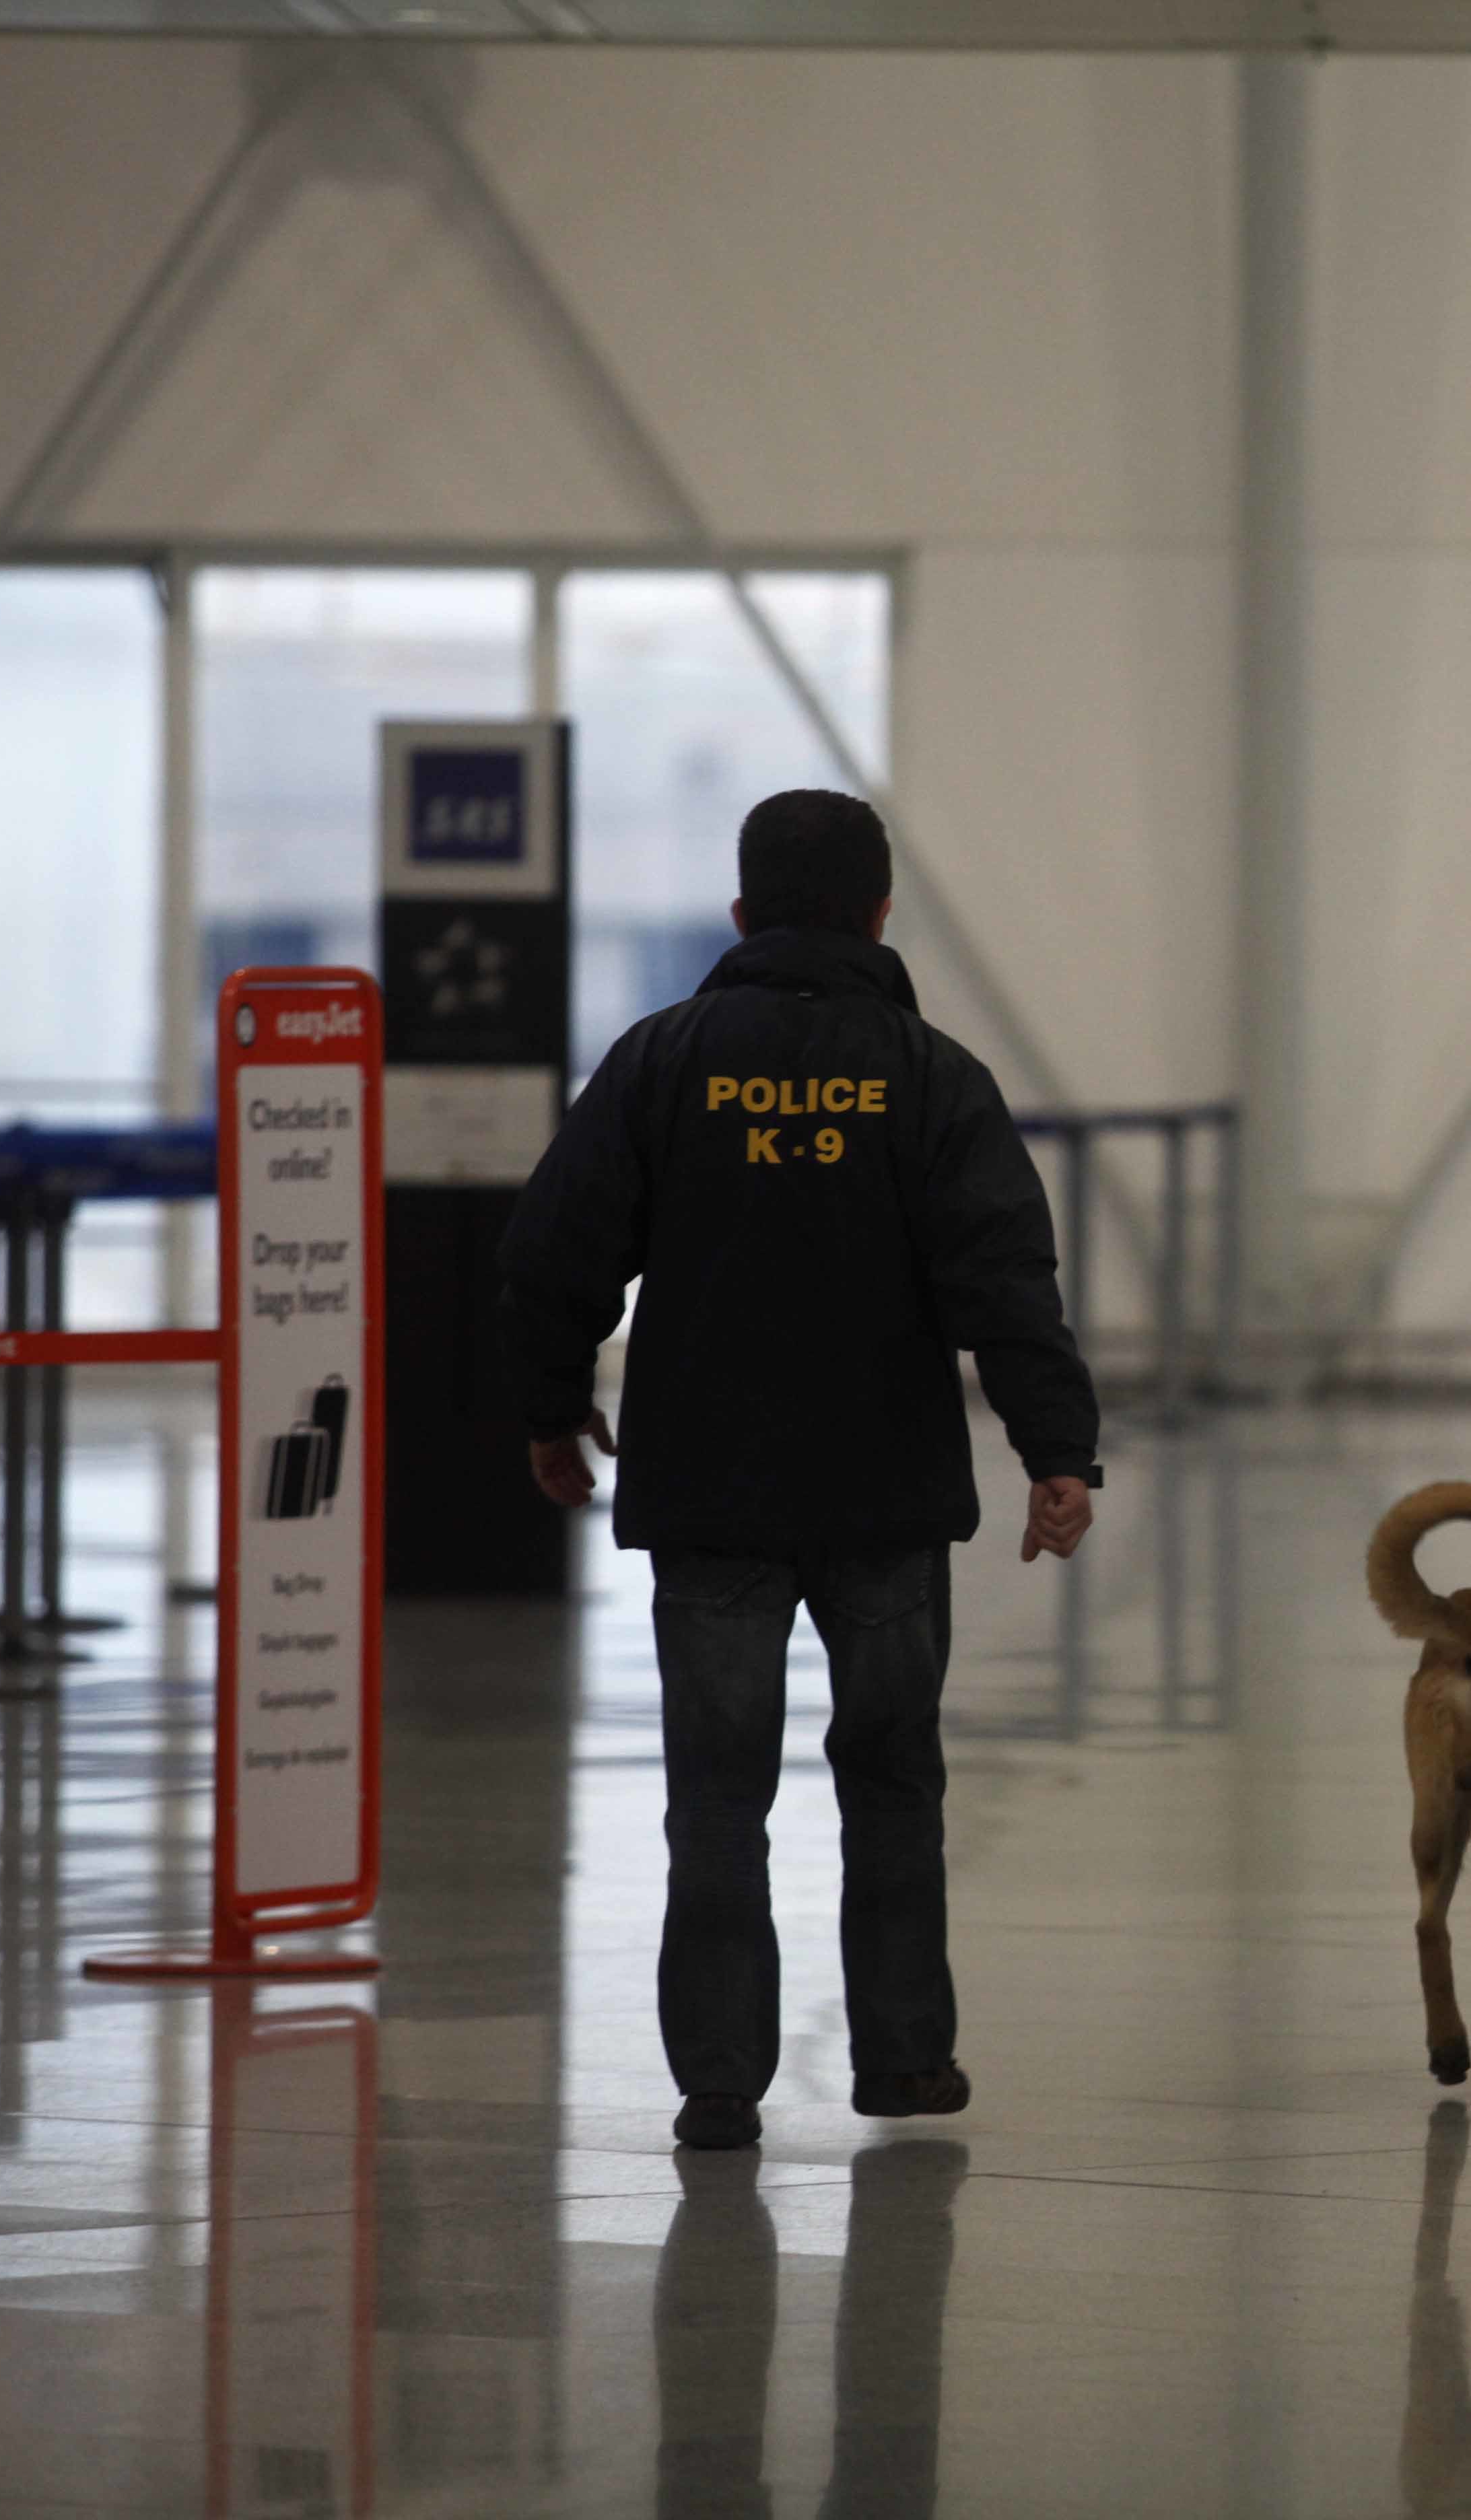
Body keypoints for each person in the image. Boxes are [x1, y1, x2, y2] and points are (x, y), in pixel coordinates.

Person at [497, 788, 1100, 2154]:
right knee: (892, 1778)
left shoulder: (662, 1061)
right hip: (884, 1497)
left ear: (740, 913)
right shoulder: (933, 1075)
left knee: (716, 1792)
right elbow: (1004, 1279)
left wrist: (550, 1410)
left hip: (707, 1493)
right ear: (881, 915)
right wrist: (1056, 1450)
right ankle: (900, 2062)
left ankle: (719, 2085)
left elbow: (553, 1253)